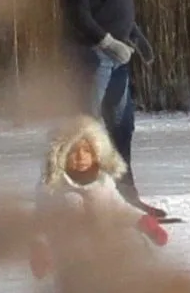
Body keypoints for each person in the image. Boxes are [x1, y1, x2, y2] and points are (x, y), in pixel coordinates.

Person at [56, 0, 165, 218]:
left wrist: (134, 34)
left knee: (121, 126)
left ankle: (125, 198)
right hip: (92, 54)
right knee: (84, 129)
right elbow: (76, 11)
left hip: (117, 56)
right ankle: (79, 201)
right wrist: (104, 41)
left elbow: (111, 2)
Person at [29, 116, 169, 279]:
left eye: (87, 151)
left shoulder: (103, 182)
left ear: (97, 153)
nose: (81, 157)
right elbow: (41, 221)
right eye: (73, 152)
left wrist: (143, 221)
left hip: (106, 254)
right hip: (70, 261)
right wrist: (40, 248)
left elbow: (119, 209)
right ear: (60, 155)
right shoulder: (53, 188)